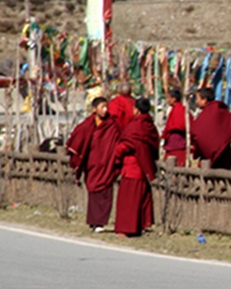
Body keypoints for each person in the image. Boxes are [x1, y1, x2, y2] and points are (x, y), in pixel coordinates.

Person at [65, 97, 121, 232]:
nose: (106, 110)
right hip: (93, 163)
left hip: (107, 163)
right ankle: (93, 221)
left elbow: (118, 140)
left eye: (106, 107)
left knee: (106, 193)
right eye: (102, 107)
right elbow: (78, 139)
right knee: (93, 192)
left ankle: (100, 223)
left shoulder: (112, 124)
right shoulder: (87, 124)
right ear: (94, 109)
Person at [113, 97, 159, 237]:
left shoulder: (136, 125)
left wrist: (117, 152)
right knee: (140, 197)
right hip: (144, 166)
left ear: (137, 110)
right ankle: (140, 226)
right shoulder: (150, 125)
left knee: (129, 200)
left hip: (132, 166)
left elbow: (127, 145)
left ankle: (126, 229)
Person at [190, 87, 231, 170]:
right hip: (225, 154)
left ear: (204, 100)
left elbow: (197, 132)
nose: (196, 102)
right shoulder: (223, 111)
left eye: (198, 99)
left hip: (212, 159)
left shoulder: (207, 114)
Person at [161, 88, 190, 167]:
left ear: (174, 99)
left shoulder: (181, 109)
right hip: (172, 141)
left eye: (169, 98)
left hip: (178, 141)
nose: (168, 100)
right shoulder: (174, 109)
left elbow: (182, 124)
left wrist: (172, 127)